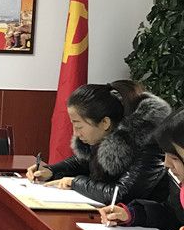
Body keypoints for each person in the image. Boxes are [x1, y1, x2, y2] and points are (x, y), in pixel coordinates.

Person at [27, 80, 171, 204]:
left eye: (79, 126)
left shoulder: (148, 142)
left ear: (105, 123)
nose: (75, 133)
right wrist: (51, 170)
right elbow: (83, 161)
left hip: (146, 223)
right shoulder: (105, 135)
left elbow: (121, 194)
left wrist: (74, 182)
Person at [99, 108, 184, 230]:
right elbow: (172, 215)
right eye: (165, 154)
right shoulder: (179, 184)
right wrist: (131, 214)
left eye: (174, 158)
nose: (166, 163)